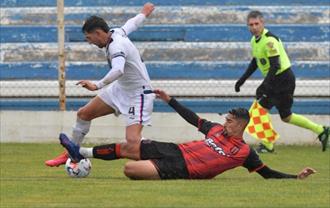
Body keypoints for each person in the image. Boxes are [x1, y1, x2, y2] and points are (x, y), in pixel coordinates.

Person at [59, 89, 316, 180]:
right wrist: (170, 100)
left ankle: (80, 154)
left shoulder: (244, 153)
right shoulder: (215, 129)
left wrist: (296, 177)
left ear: (241, 124)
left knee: (130, 169)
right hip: (176, 149)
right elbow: (192, 118)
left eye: (229, 121)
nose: (224, 123)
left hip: (182, 169)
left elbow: (267, 174)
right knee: (130, 146)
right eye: (225, 119)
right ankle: (79, 152)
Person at [45, 3, 156, 167]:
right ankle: (71, 155)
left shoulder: (116, 46)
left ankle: (161, 158)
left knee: (133, 142)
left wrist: (97, 85)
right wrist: (143, 14)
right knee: (84, 114)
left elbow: (118, 70)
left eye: (89, 38)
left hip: (138, 95)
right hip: (120, 90)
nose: (89, 42)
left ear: (98, 33)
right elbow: (132, 24)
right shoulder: (116, 33)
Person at [234, 10, 329, 153]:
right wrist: (242, 80)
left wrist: (264, 85)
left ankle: (267, 145)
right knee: (286, 116)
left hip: (283, 79)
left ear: (262, 23)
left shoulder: (270, 40)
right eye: (250, 24)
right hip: (276, 80)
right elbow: (256, 61)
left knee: (260, 111)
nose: (253, 27)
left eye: (256, 24)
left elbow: (275, 65)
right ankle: (321, 130)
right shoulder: (254, 41)